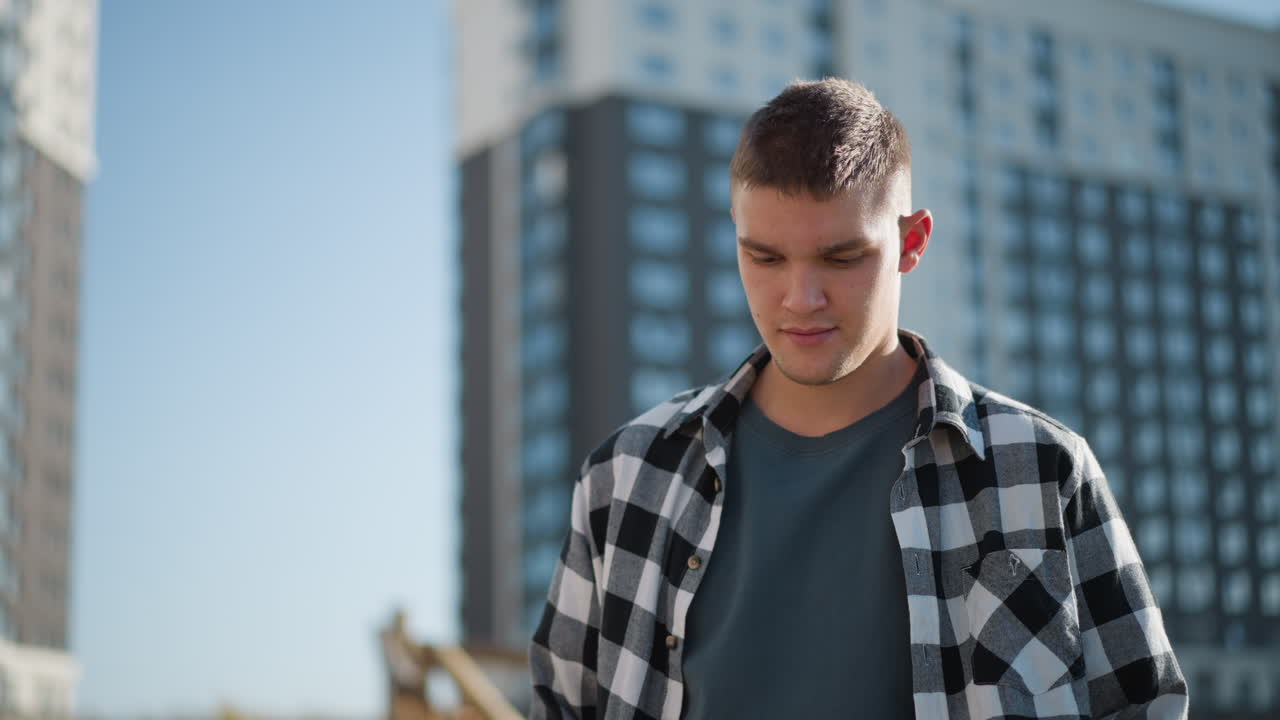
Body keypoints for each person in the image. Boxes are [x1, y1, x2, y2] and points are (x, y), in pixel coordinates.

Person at [529, 78, 1187, 719]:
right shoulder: (626, 480)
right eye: (764, 257)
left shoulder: (1043, 470)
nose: (800, 298)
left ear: (912, 242)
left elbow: (1143, 703)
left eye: (842, 259)